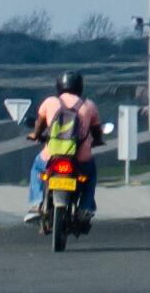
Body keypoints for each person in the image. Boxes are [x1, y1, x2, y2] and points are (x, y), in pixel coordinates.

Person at [27, 73, 106, 211]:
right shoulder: (89, 105)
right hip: (80, 158)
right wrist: (98, 141)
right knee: (90, 175)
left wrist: (35, 135)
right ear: (80, 87)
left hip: (52, 155)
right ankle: (85, 208)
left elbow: (39, 124)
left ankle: (37, 202)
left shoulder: (50, 102)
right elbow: (96, 130)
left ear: (59, 87)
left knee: (37, 168)